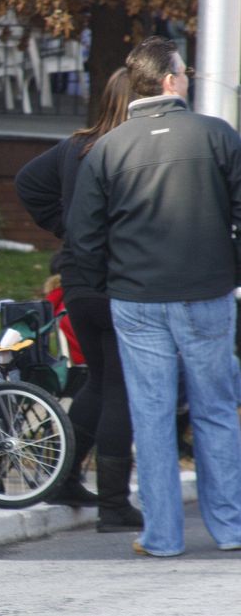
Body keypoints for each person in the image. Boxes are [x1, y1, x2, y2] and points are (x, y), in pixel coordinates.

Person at [67, 35, 241, 557]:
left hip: (136, 299)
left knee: (152, 414)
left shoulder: (107, 150)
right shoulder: (217, 134)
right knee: (216, 409)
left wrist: (111, 278)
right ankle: (230, 527)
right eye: (184, 71)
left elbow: (83, 237)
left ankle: (163, 536)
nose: (187, 77)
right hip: (207, 293)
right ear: (170, 81)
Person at [15, 68, 143, 533]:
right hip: (117, 282)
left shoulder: (76, 145)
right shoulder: (130, 150)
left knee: (97, 381)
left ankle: (66, 476)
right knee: (118, 389)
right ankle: (114, 504)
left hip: (77, 282)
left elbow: (28, 182)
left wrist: (64, 228)